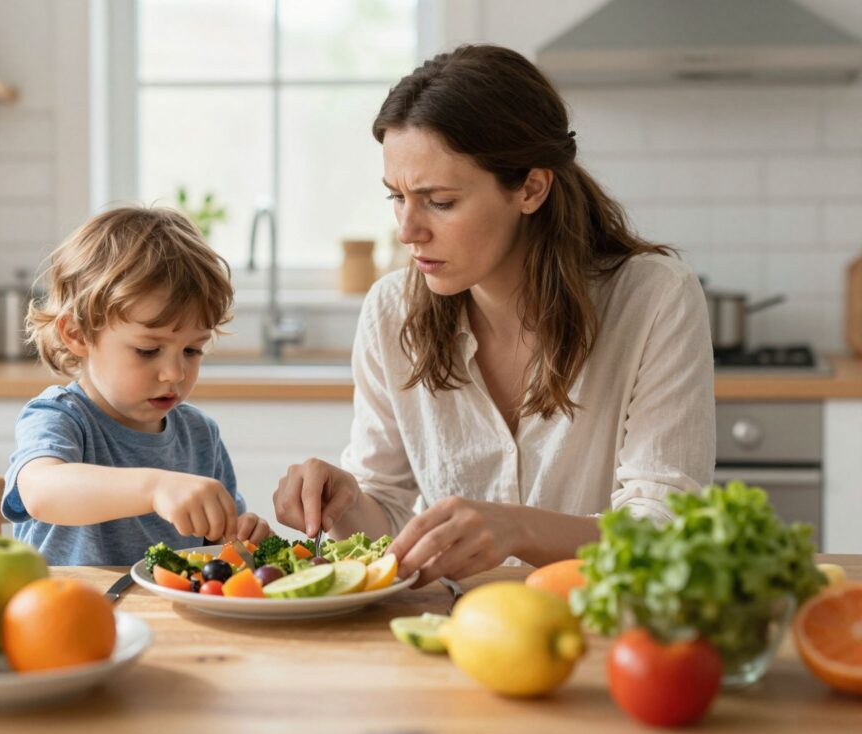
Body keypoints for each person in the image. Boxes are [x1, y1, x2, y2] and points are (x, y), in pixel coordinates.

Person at [273, 44, 715, 586]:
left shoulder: (655, 298)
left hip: (602, 630)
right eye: (396, 197)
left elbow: (666, 528)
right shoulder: (391, 311)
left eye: (439, 201)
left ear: (530, 188)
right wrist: (345, 503)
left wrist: (517, 528)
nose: (407, 231)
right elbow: (386, 516)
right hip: (455, 633)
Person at [1, 206, 271, 565]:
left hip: (162, 619)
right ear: (77, 334)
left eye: (193, 350)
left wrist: (239, 535)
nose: (174, 373)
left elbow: (218, 547)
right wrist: (155, 488)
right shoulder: (60, 417)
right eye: (147, 350)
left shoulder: (200, 436)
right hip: (69, 614)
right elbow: (39, 491)